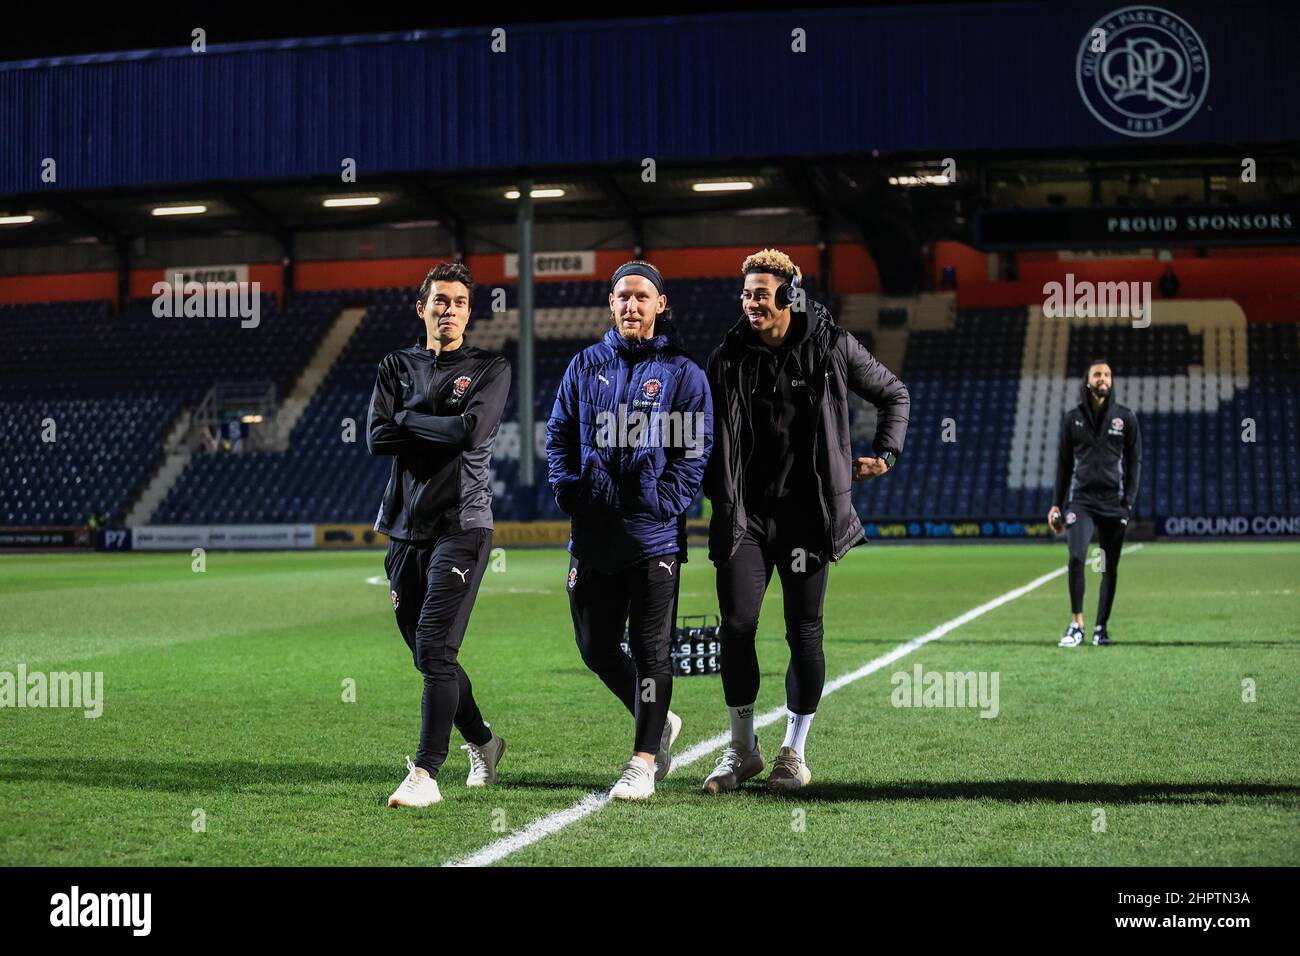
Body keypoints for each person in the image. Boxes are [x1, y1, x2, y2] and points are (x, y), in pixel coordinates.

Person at [702, 248, 910, 793]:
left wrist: (885, 455)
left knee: (803, 632)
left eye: (761, 293)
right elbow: (703, 432)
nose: (751, 303)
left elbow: (894, 394)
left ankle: (793, 751)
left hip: (807, 518)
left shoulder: (833, 345)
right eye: (745, 294)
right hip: (744, 517)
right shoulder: (727, 356)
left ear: (790, 294)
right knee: (738, 626)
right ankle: (743, 749)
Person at [546, 260, 712, 801]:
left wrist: (663, 503)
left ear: (660, 304)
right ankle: (659, 720)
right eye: (622, 296)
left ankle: (642, 761)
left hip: (653, 539)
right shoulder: (584, 365)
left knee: (650, 651)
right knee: (595, 647)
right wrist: (571, 490)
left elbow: (693, 453)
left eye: (642, 296)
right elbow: (560, 435)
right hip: (593, 536)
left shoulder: (684, 374)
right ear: (611, 303)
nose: (631, 305)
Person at [367, 261, 512, 807]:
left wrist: (406, 420)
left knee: (434, 647)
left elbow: (471, 433)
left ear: (469, 312)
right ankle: (483, 743)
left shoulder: (490, 368)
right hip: (403, 529)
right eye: (439, 301)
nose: (448, 309)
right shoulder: (394, 365)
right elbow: (376, 438)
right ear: (422, 307)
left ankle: (426, 773)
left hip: (462, 524)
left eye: (458, 302)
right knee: (430, 656)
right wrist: (425, 427)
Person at [1049, 359, 1141, 647]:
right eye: (1098, 374)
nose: (1104, 378)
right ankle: (1077, 624)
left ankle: (1101, 628)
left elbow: (1135, 461)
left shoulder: (1125, 418)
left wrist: (1128, 502)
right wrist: (1056, 504)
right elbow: (1064, 464)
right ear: (1088, 381)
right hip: (1082, 502)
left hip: (1114, 503)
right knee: (1077, 558)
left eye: (1108, 375)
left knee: (1107, 567)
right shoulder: (1072, 418)